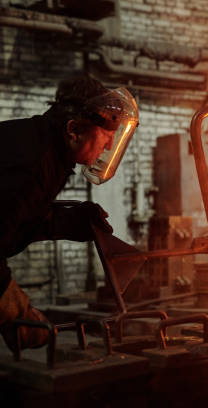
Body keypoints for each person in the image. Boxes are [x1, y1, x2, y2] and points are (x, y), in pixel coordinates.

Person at [0, 75, 139, 353]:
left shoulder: (43, 149)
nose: (109, 147)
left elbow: (15, 217)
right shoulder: (33, 165)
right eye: (106, 138)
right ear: (74, 130)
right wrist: (17, 313)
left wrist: (64, 221)